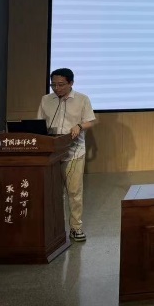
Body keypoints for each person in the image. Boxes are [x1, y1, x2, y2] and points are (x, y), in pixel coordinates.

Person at [36, 68, 96, 242]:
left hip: (74, 152)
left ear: (71, 83)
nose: (57, 88)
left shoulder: (82, 99)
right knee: (53, 193)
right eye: (53, 85)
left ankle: (76, 227)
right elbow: (39, 124)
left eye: (61, 84)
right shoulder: (46, 100)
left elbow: (90, 121)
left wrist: (79, 126)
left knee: (74, 192)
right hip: (51, 153)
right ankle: (55, 229)